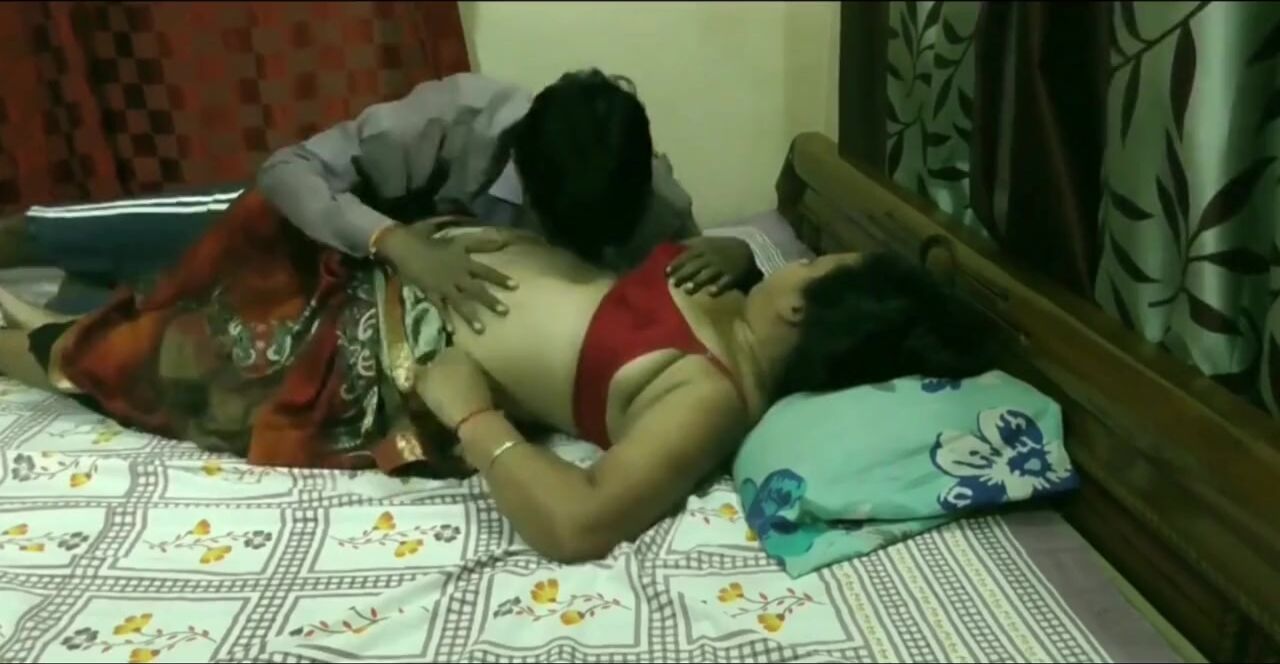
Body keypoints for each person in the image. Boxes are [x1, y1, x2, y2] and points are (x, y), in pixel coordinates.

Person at [0, 189, 994, 563]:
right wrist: (741, 251)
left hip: (366, 358)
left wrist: (474, 417)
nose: (794, 263)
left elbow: (580, 524)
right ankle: (51, 323)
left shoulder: (709, 397)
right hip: (379, 277)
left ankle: (42, 344)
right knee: (229, 240)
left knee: (121, 361)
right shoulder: (728, 289)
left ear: (803, 313)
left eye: (811, 268)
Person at [0, 69, 758, 325]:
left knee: (154, 319)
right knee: (177, 230)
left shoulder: (644, 196)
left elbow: (720, 277)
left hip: (356, 309)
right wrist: (394, 242)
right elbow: (290, 168)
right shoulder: (461, 120)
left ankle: (59, 307)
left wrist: (742, 254)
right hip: (320, 230)